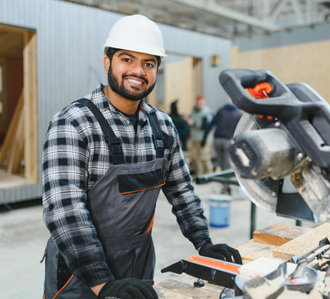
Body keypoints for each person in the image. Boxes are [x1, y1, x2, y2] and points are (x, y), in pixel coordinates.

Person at [41, 14, 241, 299]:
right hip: (79, 273)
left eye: (149, 63)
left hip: (138, 265)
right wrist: (103, 284)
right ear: (107, 61)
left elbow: (181, 190)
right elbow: (65, 211)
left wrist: (203, 244)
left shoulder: (163, 126)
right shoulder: (74, 122)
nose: (138, 70)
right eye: (127, 59)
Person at [202, 103, 242, 171]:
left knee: (220, 162)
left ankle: (222, 176)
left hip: (217, 140)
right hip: (228, 141)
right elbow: (240, 130)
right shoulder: (238, 114)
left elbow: (210, 124)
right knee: (227, 165)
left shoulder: (221, 111)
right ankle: (225, 179)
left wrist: (204, 138)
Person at [187, 95, 213, 175]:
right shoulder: (193, 112)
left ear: (204, 102)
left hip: (204, 140)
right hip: (194, 140)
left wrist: (193, 123)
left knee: (204, 158)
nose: (199, 104)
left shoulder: (207, 112)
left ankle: (209, 176)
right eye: (198, 102)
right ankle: (200, 175)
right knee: (195, 158)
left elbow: (206, 126)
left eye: (201, 102)